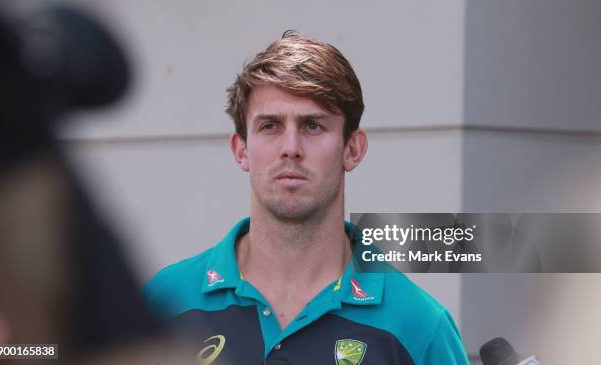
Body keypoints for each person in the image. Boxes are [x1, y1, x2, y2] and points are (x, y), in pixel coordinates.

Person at [145, 31, 469, 365]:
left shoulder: (418, 327)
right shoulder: (164, 302)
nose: (290, 148)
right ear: (241, 149)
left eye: (313, 126)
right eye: (270, 126)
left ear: (352, 149)